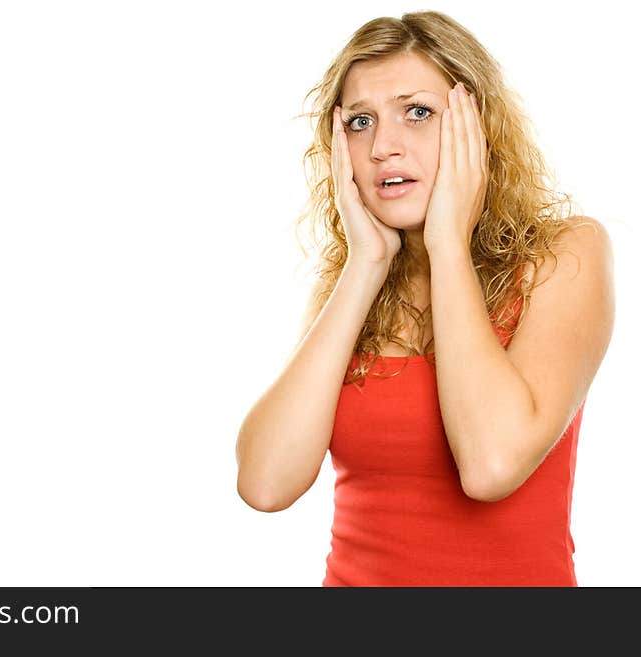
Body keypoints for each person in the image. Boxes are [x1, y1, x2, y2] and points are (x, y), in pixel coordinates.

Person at [234, 11, 615, 586]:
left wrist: (447, 244)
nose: (384, 146)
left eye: (418, 113)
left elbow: (491, 466)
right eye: (360, 122)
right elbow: (265, 483)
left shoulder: (565, 255)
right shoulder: (348, 283)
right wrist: (366, 263)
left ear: (477, 125)